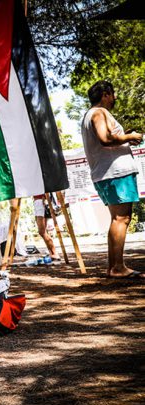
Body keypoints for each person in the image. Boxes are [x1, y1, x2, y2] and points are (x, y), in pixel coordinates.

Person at [81, 80, 143, 279]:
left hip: (108, 173)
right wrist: (129, 136)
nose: (114, 98)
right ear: (106, 94)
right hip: (115, 173)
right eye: (113, 94)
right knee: (121, 218)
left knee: (118, 219)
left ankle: (114, 266)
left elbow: (106, 140)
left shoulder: (92, 115)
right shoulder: (98, 113)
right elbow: (105, 139)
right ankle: (117, 267)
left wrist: (125, 138)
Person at [32, 194, 57, 260]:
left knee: (42, 232)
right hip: (39, 202)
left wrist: (44, 201)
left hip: (40, 202)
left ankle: (54, 253)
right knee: (43, 232)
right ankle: (52, 253)